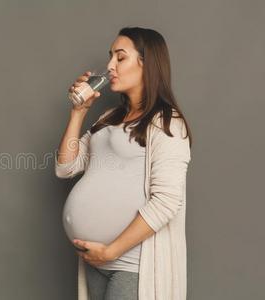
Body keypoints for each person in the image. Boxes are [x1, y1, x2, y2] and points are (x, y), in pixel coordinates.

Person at [55, 26, 193, 300]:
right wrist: (78, 113)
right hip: (96, 258)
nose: (109, 66)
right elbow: (66, 167)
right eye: (110, 57)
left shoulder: (167, 123)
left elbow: (166, 201)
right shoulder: (108, 117)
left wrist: (113, 250)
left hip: (132, 263)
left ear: (147, 64)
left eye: (120, 57)